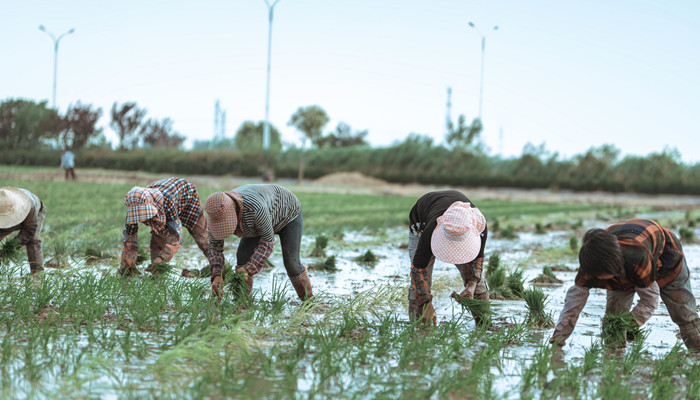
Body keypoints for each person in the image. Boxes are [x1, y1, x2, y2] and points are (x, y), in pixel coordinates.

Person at [550, 218, 700, 351]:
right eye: (599, 277)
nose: (602, 281)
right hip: (627, 254)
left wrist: (626, 324)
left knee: (683, 312)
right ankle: (613, 355)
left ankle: (697, 350)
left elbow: (650, 300)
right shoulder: (590, 264)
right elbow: (572, 306)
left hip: (666, 255)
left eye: (605, 277)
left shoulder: (637, 257)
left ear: (615, 266)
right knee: (614, 314)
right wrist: (558, 339)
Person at [204, 184, 313, 301]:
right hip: (258, 220)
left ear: (235, 212)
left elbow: (268, 242)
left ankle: (308, 301)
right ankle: (242, 302)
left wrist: (249, 269)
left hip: (287, 213)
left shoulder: (255, 209)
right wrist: (217, 275)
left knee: (292, 263)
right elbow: (215, 248)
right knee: (242, 257)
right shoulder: (215, 215)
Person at [408, 190, 488, 325]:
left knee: (477, 283)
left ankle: (484, 324)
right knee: (420, 282)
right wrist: (426, 303)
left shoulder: (478, 225)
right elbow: (419, 269)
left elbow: (476, 261)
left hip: (458, 221)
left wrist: (471, 285)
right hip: (422, 221)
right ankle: (420, 327)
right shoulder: (430, 230)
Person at [120, 177, 208, 275]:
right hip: (166, 204)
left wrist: (161, 259)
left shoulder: (166, 200)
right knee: (157, 240)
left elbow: (175, 238)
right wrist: (127, 265)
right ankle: (157, 272)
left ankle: (219, 268)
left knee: (202, 239)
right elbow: (129, 241)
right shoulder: (133, 207)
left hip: (188, 198)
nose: (145, 220)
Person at [0, 187, 46, 274]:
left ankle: (37, 272)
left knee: (33, 241)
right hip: (9, 213)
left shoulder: (29, 205)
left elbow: (29, 230)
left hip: (32, 216)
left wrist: (11, 247)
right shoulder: (2, 202)